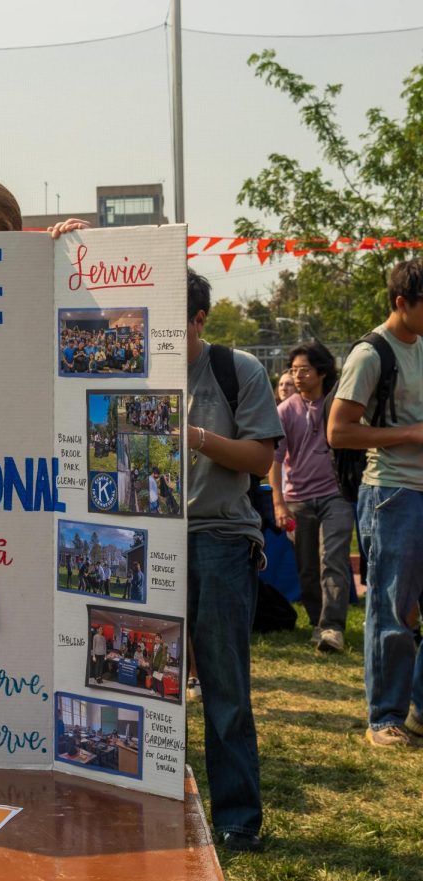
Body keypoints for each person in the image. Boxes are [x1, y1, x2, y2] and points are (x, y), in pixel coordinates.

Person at [186, 269, 282, 851]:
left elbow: (259, 460)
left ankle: (238, 820)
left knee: (224, 685)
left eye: (172, 316)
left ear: (199, 319)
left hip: (220, 538)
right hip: (139, 540)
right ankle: (149, 803)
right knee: (138, 682)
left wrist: (192, 435)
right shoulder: (125, 363)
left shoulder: (237, 369)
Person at [328, 259, 423, 748]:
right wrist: (409, 434)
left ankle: (419, 710)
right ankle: (384, 718)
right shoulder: (371, 353)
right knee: (392, 609)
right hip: (391, 492)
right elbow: (338, 430)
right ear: (400, 303)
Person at [270, 340, 353, 653]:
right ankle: (318, 622)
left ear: (321, 372)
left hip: (336, 495)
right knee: (307, 568)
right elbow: (274, 461)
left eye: (304, 370)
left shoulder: (336, 404)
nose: (298, 376)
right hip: (298, 500)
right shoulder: (284, 411)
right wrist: (279, 503)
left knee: (332, 559)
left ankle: (333, 628)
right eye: (294, 370)